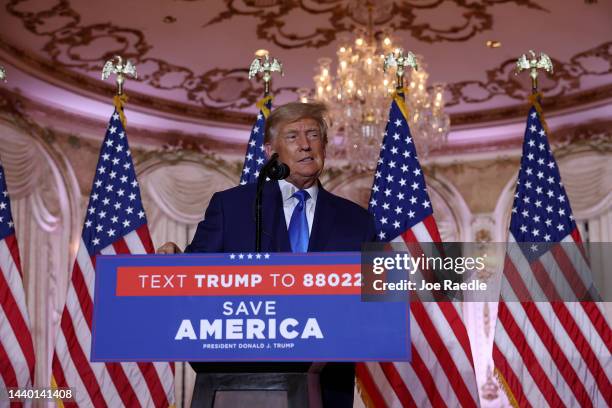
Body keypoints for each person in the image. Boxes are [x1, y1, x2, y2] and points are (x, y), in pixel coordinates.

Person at [158, 102, 377, 407]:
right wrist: (175, 264)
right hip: (237, 384)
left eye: (313, 134)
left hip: (325, 388)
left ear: (325, 145)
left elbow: (377, 305)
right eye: (292, 137)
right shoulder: (231, 208)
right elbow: (198, 280)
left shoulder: (357, 220)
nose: (305, 144)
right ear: (270, 150)